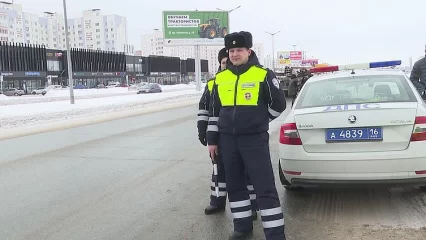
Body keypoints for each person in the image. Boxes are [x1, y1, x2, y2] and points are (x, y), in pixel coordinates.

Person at [206, 31, 287, 240]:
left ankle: (275, 234)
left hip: (254, 140)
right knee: (235, 185)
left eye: (239, 50)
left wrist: (260, 120)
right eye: (231, 50)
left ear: (248, 51)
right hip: (227, 141)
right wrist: (212, 141)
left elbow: (279, 105)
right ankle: (242, 227)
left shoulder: (262, 74)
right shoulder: (220, 78)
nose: (234, 54)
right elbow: (214, 113)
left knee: (264, 187)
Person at [197, 47, 258, 219]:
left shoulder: (241, 81)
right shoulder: (212, 83)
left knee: (245, 172)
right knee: (218, 170)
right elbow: (204, 110)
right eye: (223, 63)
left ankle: (251, 207)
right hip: (218, 135)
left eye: (228, 62)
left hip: (239, 136)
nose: (226, 65)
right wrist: (204, 131)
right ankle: (217, 201)